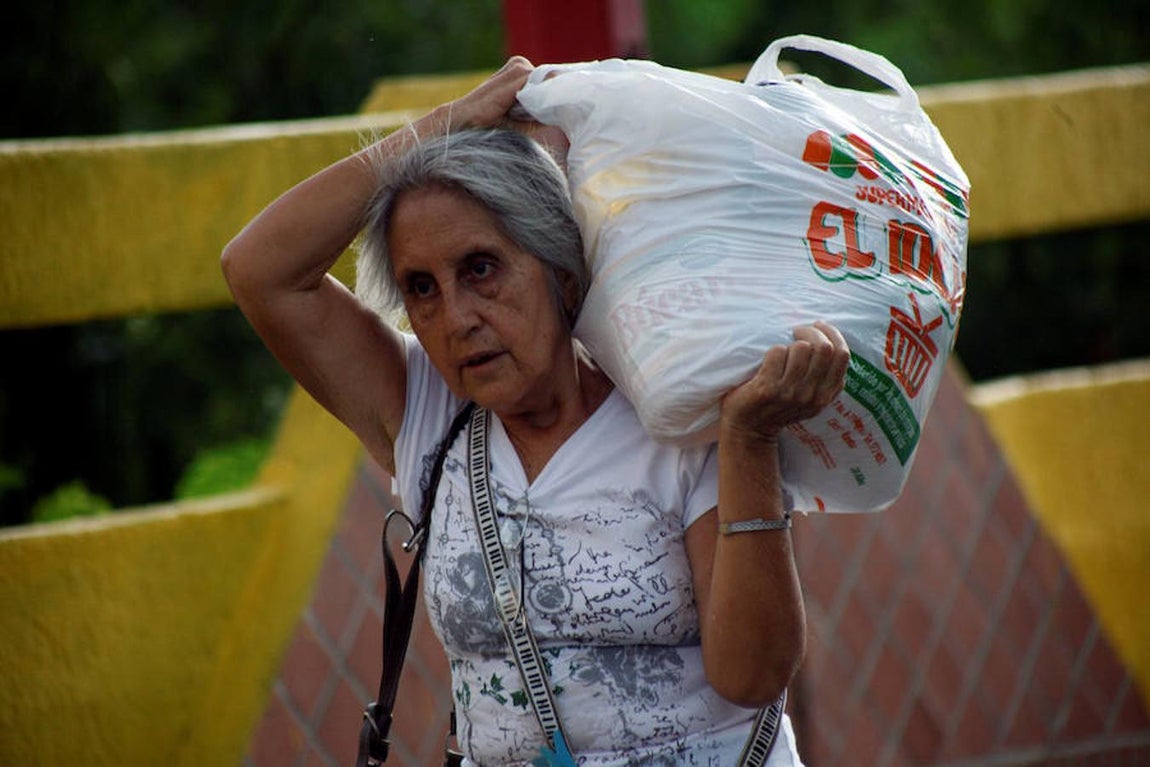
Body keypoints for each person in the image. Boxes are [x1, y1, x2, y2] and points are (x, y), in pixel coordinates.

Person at [222, 56, 849, 766]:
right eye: (421, 288)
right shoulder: (424, 407)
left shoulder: (680, 410)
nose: (456, 317)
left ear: (561, 271)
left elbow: (753, 674)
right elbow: (258, 270)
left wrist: (751, 437)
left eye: (481, 268)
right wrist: (440, 131)